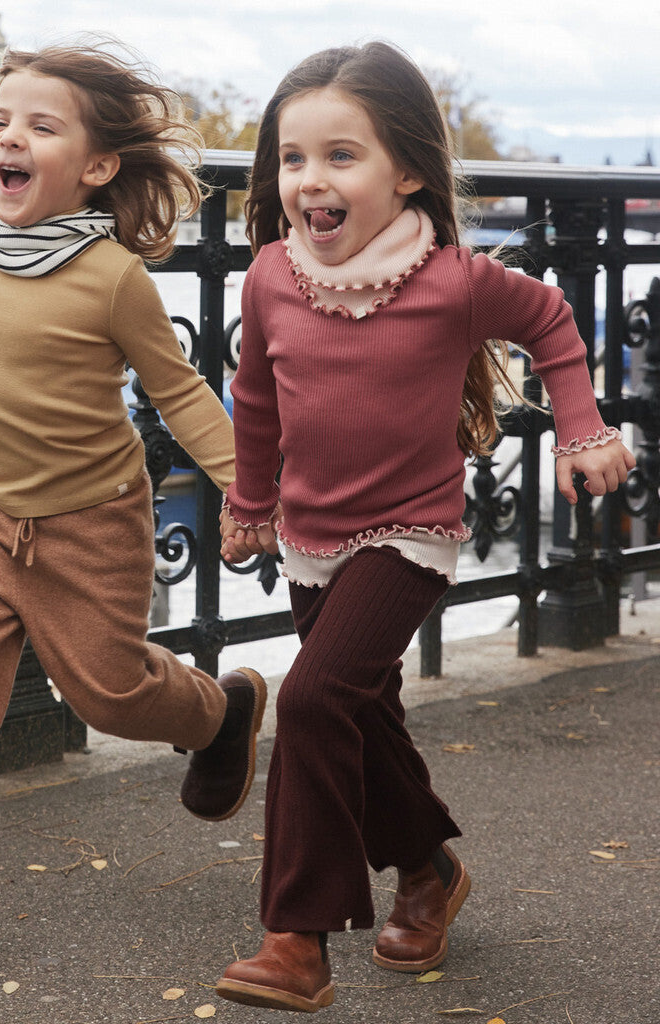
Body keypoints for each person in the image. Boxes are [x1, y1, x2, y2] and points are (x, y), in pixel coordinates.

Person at [214, 41, 635, 1013]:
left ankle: (296, 936)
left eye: (340, 156)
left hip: (408, 533)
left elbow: (552, 322)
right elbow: (255, 401)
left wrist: (581, 429)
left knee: (315, 701)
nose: (310, 180)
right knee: (362, 714)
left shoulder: (451, 278)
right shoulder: (272, 277)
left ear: (405, 170)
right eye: (291, 158)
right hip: (310, 540)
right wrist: (247, 501)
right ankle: (427, 871)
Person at [0, 42, 267, 944]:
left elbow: (179, 391)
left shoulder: (112, 279)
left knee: (108, 695)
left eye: (39, 126)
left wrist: (246, 492)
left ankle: (221, 715)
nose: (8, 139)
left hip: (94, 519)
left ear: (97, 166)